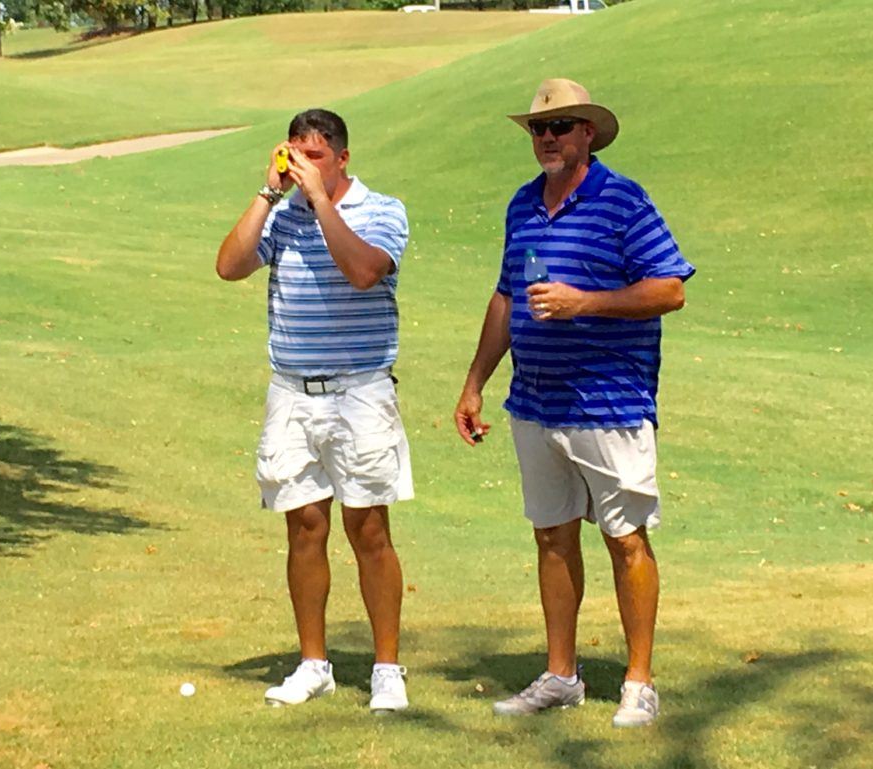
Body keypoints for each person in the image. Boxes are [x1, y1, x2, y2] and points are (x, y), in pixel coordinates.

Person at [453, 79, 695, 726]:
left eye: (562, 127)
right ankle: (561, 674)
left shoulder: (623, 200)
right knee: (552, 538)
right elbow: (507, 295)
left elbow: (670, 288)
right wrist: (476, 380)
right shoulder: (523, 206)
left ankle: (639, 681)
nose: (549, 138)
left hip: (610, 403)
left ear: (588, 132)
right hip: (535, 402)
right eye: (539, 129)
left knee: (625, 539)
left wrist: (585, 302)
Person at [216, 108, 412, 713]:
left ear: (343, 159)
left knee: (369, 529)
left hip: (360, 391)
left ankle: (385, 668)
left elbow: (362, 272)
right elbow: (230, 266)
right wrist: (267, 193)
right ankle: (313, 663)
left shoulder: (382, 209)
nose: (302, 167)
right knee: (303, 528)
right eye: (294, 154)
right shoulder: (282, 213)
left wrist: (321, 200)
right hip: (292, 392)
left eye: (315, 156)